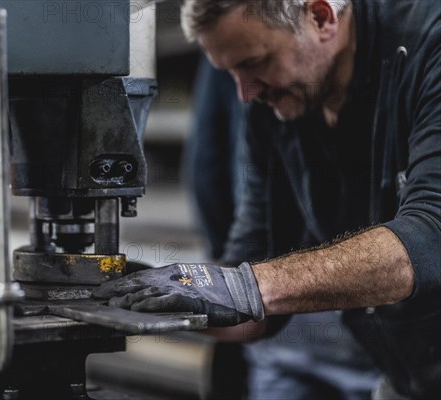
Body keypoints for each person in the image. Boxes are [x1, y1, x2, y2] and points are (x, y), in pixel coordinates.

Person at [94, 1, 441, 398]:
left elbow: (430, 239)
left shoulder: (429, 47)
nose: (244, 93)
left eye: (255, 62)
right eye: (231, 73)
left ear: (320, 17)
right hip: (406, 377)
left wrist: (246, 286)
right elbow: (255, 312)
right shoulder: (275, 109)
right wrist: (161, 294)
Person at [185, 55, 378, 399]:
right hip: (350, 320)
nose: (246, 92)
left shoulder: (230, 45)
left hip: (283, 311)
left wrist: (239, 283)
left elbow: (207, 172)